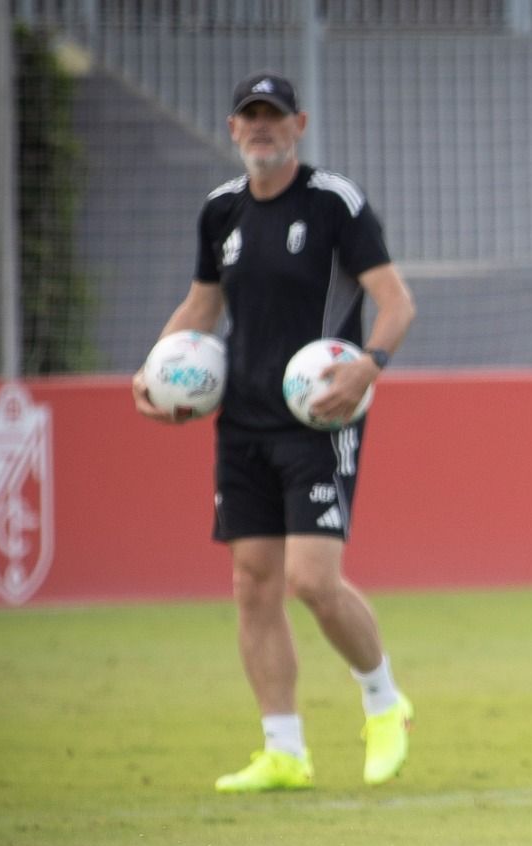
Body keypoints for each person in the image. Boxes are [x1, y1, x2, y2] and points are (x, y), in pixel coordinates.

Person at [132, 72, 418, 793]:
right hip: (242, 426)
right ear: (233, 129)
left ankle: (385, 702)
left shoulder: (334, 204)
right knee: (252, 583)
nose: (263, 128)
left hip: (319, 420)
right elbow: (201, 309)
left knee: (310, 580)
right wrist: (152, 374)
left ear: (300, 123)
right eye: (250, 117)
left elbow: (395, 303)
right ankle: (283, 749)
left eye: (275, 116)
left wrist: (369, 368)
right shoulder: (220, 211)